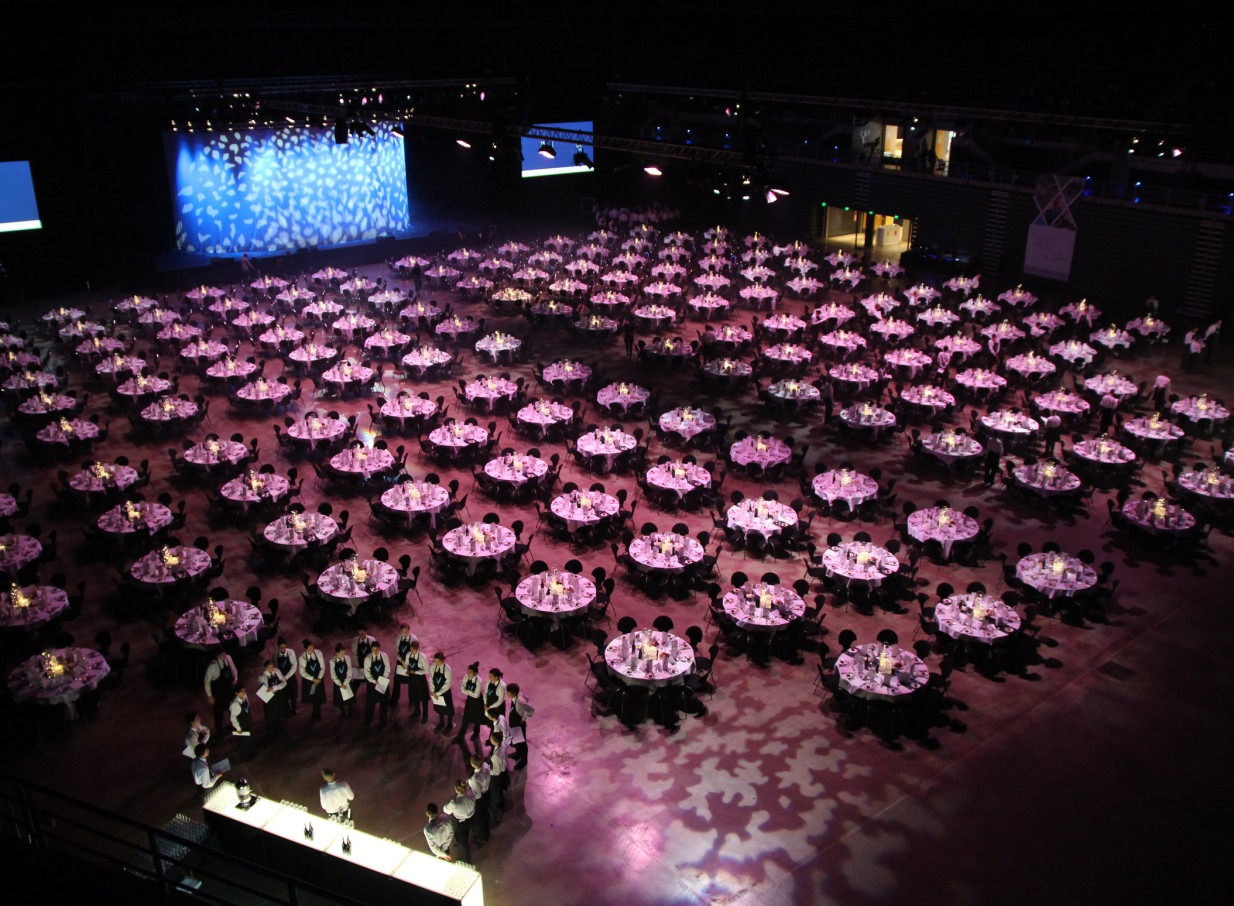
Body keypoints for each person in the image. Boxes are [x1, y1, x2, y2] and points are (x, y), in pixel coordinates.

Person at [204, 650, 238, 737]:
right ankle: (219, 732)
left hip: (229, 689)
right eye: (222, 654)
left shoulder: (228, 658)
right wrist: (209, 695)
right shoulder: (212, 666)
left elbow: (233, 668)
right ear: (217, 655)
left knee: (232, 708)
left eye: (225, 653)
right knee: (218, 713)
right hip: (219, 692)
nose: (225, 655)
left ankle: (234, 725)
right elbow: (207, 682)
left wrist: (235, 678)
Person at [442, 780, 475, 863]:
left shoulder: (454, 803)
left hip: (460, 824)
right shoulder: (471, 795)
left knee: (462, 842)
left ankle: (466, 860)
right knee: (466, 835)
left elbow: (446, 810)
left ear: (456, 790)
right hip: (470, 819)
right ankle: (462, 848)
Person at [362, 639, 392, 729]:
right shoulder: (367, 658)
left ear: (379, 649)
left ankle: (383, 716)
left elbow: (387, 669)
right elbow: (367, 673)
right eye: (373, 649)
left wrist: (382, 679)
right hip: (372, 683)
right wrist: (374, 681)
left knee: (384, 700)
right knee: (370, 703)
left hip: (382, 681)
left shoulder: (384, 656)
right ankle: (368, 720)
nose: (375, 651)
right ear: (371, 649)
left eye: (377, 649)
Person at [390, 623, 418, 716]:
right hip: (401, 661)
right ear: (401, 631)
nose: (405, 633)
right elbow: (396, 650)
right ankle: (394, 699)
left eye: (407, 631)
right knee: (397, 680)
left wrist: (407, 663)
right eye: (403, 632)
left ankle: (412, 699)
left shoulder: (413, 638)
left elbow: (415, 653)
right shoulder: (398, 638)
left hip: (410, 662)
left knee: (411, 681)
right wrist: (401, 660)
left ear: (409, 630)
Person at [258, 659, 288, 741]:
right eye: (270, 667)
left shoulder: (277, 672)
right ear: (265, 668)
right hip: (269, 699)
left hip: (278, 696)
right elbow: (266, 690)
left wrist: (274, 687)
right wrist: (276, 687)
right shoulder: (263, 678)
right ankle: (271, 732)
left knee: (279, 712)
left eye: (272, 667)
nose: (272, 669)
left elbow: (284, 683)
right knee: (270, 716)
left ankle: (280, 727)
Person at [505, 683, 533, 770]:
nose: (507, 693)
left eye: (508, 692)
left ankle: (523, 760)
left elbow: (531, 710)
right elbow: (526, 697)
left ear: (513, 693)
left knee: (521, 743)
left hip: (518, 723)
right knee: (517, 741)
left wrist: (523, 719)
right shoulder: (517, 696)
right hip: (513, 722)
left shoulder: (519, 702)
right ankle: (518, 754)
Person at [454, 662, 484, 745]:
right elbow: (462, 689)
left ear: (475, 673)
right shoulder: (466, 677)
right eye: (468, 671)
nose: (468, 673)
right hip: (470, 700)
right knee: (466, 718)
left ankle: (476, 733)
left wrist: (468, 692)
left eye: (470, 672)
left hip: (478, 701)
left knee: (477, 719)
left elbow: (476, 694)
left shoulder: (479, 681)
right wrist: (471, 692)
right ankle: (460, 736)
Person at [299, 639, 327, 723]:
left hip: (318, 679)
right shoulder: (302, 658)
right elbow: (302, 672)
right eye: (310, 649)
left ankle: (316, 714)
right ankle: (316, 713)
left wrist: (319, 678)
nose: (312, 650)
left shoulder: (318, 653)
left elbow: (322, 667)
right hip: (310, 681)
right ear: (305, 650)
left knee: (318, 697)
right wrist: (313, 679)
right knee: (313, 698)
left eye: (313, 648)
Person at [404, 639, 430, 725]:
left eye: (414, 650)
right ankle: (417, 711)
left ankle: (425, 715)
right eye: (411, 650)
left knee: (424, 698)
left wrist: (416, 672)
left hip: (420, 680)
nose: (412, 651)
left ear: (418, 649)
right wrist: (407, 671)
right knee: (415, 696)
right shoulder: (408, 655)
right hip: (412, 679)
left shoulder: (422, 657)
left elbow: (426, 670)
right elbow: (407, 664)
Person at [467, 755, 491, 845]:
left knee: (480, 818)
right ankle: (487, 830)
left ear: (473, 765)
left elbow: (477, 794)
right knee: (485, 813)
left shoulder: (474, 779)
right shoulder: (486, 766)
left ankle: (483, 836)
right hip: (487, 792)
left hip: (480, 798)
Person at [430, 651, 454, 735]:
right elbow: (431, 679)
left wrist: (439, 693)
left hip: (445, 692)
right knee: (440, 707)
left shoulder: (447, 669)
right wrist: (433, 691)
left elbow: (448, 683)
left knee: (448, 709)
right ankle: (441, 722)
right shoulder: (433, 667)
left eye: (438, 661)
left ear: (442, 660)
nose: (437, 663)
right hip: (436, 691)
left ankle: (449, 724)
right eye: (435, 661)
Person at [488, 731, 508, 826]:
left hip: (497, 777)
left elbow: (495, 771)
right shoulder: (503, 746)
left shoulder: (496, 756)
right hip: (503, 772)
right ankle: (502, 807)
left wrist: (488, 770)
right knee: (499, 792)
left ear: (494, 741)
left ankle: (496, 813)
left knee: (495, 795)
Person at [230, 688, 256, 761]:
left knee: (249, 739)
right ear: (236, 693)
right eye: (242, 691)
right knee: (243, 742)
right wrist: (238, 728)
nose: (244, 693)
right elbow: (233, 718)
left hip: (247, 722)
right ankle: (245, 756)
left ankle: (251, 752)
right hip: (241, 725)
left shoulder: (244, 698)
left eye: (244, 691)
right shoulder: (235, 704)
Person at [330, 643, 355, 719]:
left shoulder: (347, 658)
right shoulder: (332, 661)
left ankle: (351, 712)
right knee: (340, 700)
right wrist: (340, 684)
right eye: (342, 653)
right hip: (339, 683)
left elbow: (349, 671)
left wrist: (345, 683)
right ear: (337, 653)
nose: (343, 655)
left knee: (350, 699)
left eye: (344, 653)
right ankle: (343, 712)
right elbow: (333, 675)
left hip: (346, 681)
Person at [274, 638, 298, 717]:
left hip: (290, 677)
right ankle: (286, 711)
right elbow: (276, 667)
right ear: (278, 647)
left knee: (293, 695)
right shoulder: (275, 655)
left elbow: (294, 666)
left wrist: (286, 677)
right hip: (281, 679)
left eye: (284, 647)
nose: (283, 649)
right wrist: (281, 678)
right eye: (281, 647)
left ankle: (294, 708)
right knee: (284, 696)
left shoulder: (291, 652)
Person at [482, 668, 506, 744]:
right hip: (489, 705)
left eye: (491, 676)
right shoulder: (490, 681)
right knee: (490, 723)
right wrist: (485, 703)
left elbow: (500, 701)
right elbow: (485, 692)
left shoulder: (502, 686)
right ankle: (491, 738)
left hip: (496, 708)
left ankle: (495, 740)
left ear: (497, 677)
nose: (489, 678)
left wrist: (490, 707)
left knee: (495, 726)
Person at [350, 626, 375, 697]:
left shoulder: (371, 640)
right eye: (359, 634)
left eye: (362, 633)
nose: (361, 635)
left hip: (369, 664)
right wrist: (356, 664)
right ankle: (351, 698)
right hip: (360, 664)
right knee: (356, 682)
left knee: (370, 680)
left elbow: (374, 652)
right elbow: (354, 653)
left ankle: (370, 694)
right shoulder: (355, 641)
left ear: (365, 632)